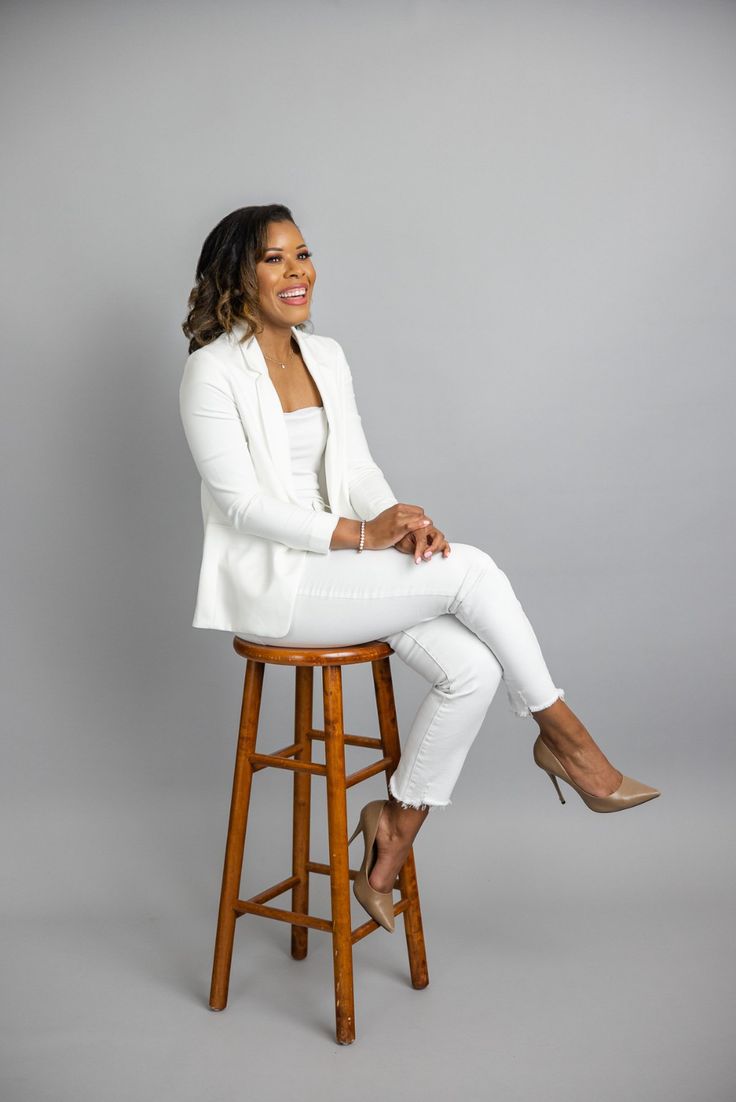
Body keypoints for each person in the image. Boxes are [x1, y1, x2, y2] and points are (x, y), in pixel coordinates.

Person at [180, 203, 660, 933]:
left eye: (303, 254)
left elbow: (359, 467)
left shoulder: (326, 355)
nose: (297, 271)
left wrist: (402, 522)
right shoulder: (210, 373)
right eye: (275, 258)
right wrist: (362, 536)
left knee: (476, 669)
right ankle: (569, 742)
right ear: (237, 275)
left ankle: (391, 834)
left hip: (345, 571)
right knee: (472, 572)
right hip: (282, 586)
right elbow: (242, 505)